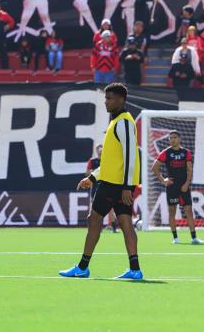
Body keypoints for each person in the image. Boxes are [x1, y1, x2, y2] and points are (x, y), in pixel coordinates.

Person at [59, 83, 143, 280]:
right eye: (106, 98)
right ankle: (135, 269)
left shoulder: (123, 122)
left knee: (94, 218)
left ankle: (82, 267)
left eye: (110, 98)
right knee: (125, 223)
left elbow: (131, 156)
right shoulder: (117, 122)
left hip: (114, 185)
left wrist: (126, 187)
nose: (106, 102)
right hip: (113, 182)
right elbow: (111, 161)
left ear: (121, 100)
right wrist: (92, 177)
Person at [152, 131, 204, 245]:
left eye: (175, 137)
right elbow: (155, 167)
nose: (172, 140)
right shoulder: (166, 153)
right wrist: (162, 180)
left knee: (189, 211)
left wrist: (186, 184)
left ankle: (194, 238)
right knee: (172, 212)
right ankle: (175, 238)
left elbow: (190, 170)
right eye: (170, 138)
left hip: (184, 186)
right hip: (172, 187)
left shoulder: (186, 153)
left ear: (179, 139)